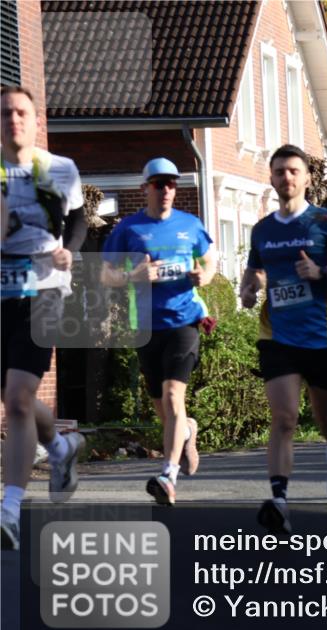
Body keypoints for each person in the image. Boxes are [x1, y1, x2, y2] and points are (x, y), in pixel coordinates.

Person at [240, 144, 327, 534]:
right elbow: (256, 273)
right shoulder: (263, 230)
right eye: (280, 171)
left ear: (307, 177)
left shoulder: (326, 221)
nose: (287, 178)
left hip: (321, 333)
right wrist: (249, 290)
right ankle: (279, 500)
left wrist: (322, 272)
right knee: (283, 418)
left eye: (294, 171)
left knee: (326, 416)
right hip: (277, 334)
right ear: (271, 177)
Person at [101, 157, 217, 505]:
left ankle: (168, 474)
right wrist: (132, 277)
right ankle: (188, 430)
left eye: (171, 183)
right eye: (158, 183)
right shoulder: (129, 229)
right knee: (164, 410)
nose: (166, 189)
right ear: (145, 189)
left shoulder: (190, 224)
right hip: (146, 326)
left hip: (185, 320)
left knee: (171, 396)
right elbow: (105, 274)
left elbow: (210, 259)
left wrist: (205, 276)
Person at [1, 85, 88, 550]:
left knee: (17, 397)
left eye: (21, 112)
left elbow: (77, 219)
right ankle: (60, 446)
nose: (14, 119)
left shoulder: (59, 168)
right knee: (13, 399)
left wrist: (68, 251)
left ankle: (9, 509)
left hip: (44, 292)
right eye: (5, 113)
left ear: (35, 120)